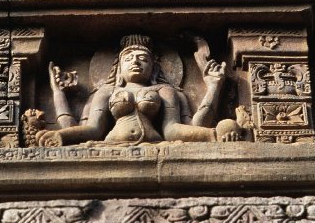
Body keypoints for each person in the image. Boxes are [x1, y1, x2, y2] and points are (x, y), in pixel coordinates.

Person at [36, 34, 241, 146]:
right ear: (119, 67)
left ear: (154, 67)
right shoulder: (106, 92)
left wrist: (214, 88)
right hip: (110, 147)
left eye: (143, 59)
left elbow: (175, 129)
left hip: (155, 145)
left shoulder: (165, 91)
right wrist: (58, 95)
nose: (135, 62)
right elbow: (91, 130)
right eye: (128, 58)